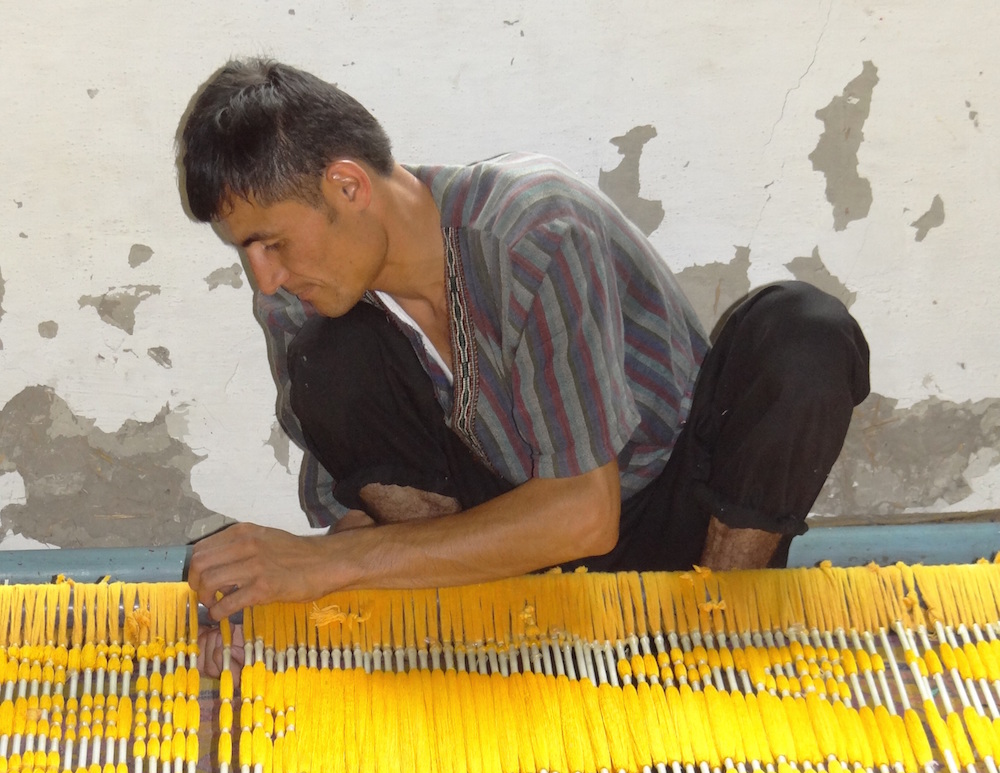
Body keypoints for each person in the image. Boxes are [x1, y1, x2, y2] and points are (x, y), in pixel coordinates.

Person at [181, 59, 870, 631]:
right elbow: (363, 516)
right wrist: (279, 580)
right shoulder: (298, 306)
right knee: (329, 359)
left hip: (666, 514)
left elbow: (585, 513)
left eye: (273, 242)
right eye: (248, 251)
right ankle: (476, 630)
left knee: (804, 331)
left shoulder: (533, 229)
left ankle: (716, 636)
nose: (263, 275)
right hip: (500, 551)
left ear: (349, 185)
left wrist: (326, 566)